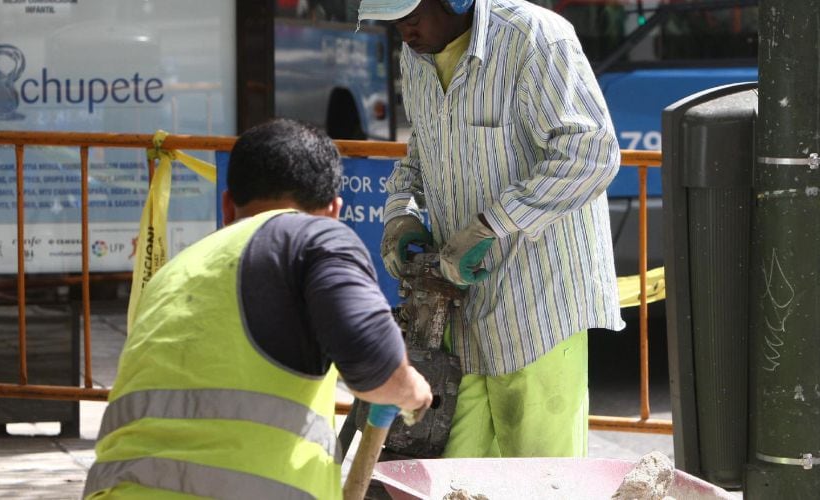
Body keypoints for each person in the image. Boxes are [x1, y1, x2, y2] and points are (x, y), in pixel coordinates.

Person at [83, 118, 433, 499]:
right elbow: (375, 367)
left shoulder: (173, 274)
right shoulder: (314, 237)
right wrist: (411, 390)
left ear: (228, 205)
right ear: (334, 210)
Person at [360, 0, 625, 459]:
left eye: (410, 17)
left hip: (541, 306)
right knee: (455, 477)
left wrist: (491, 225)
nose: (404, 33)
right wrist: (400, 212)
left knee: (543, 479)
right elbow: (420, 149)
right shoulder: (418, 56)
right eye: (393, 24)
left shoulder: (535, 38)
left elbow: (592, 154)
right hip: (459, 314)